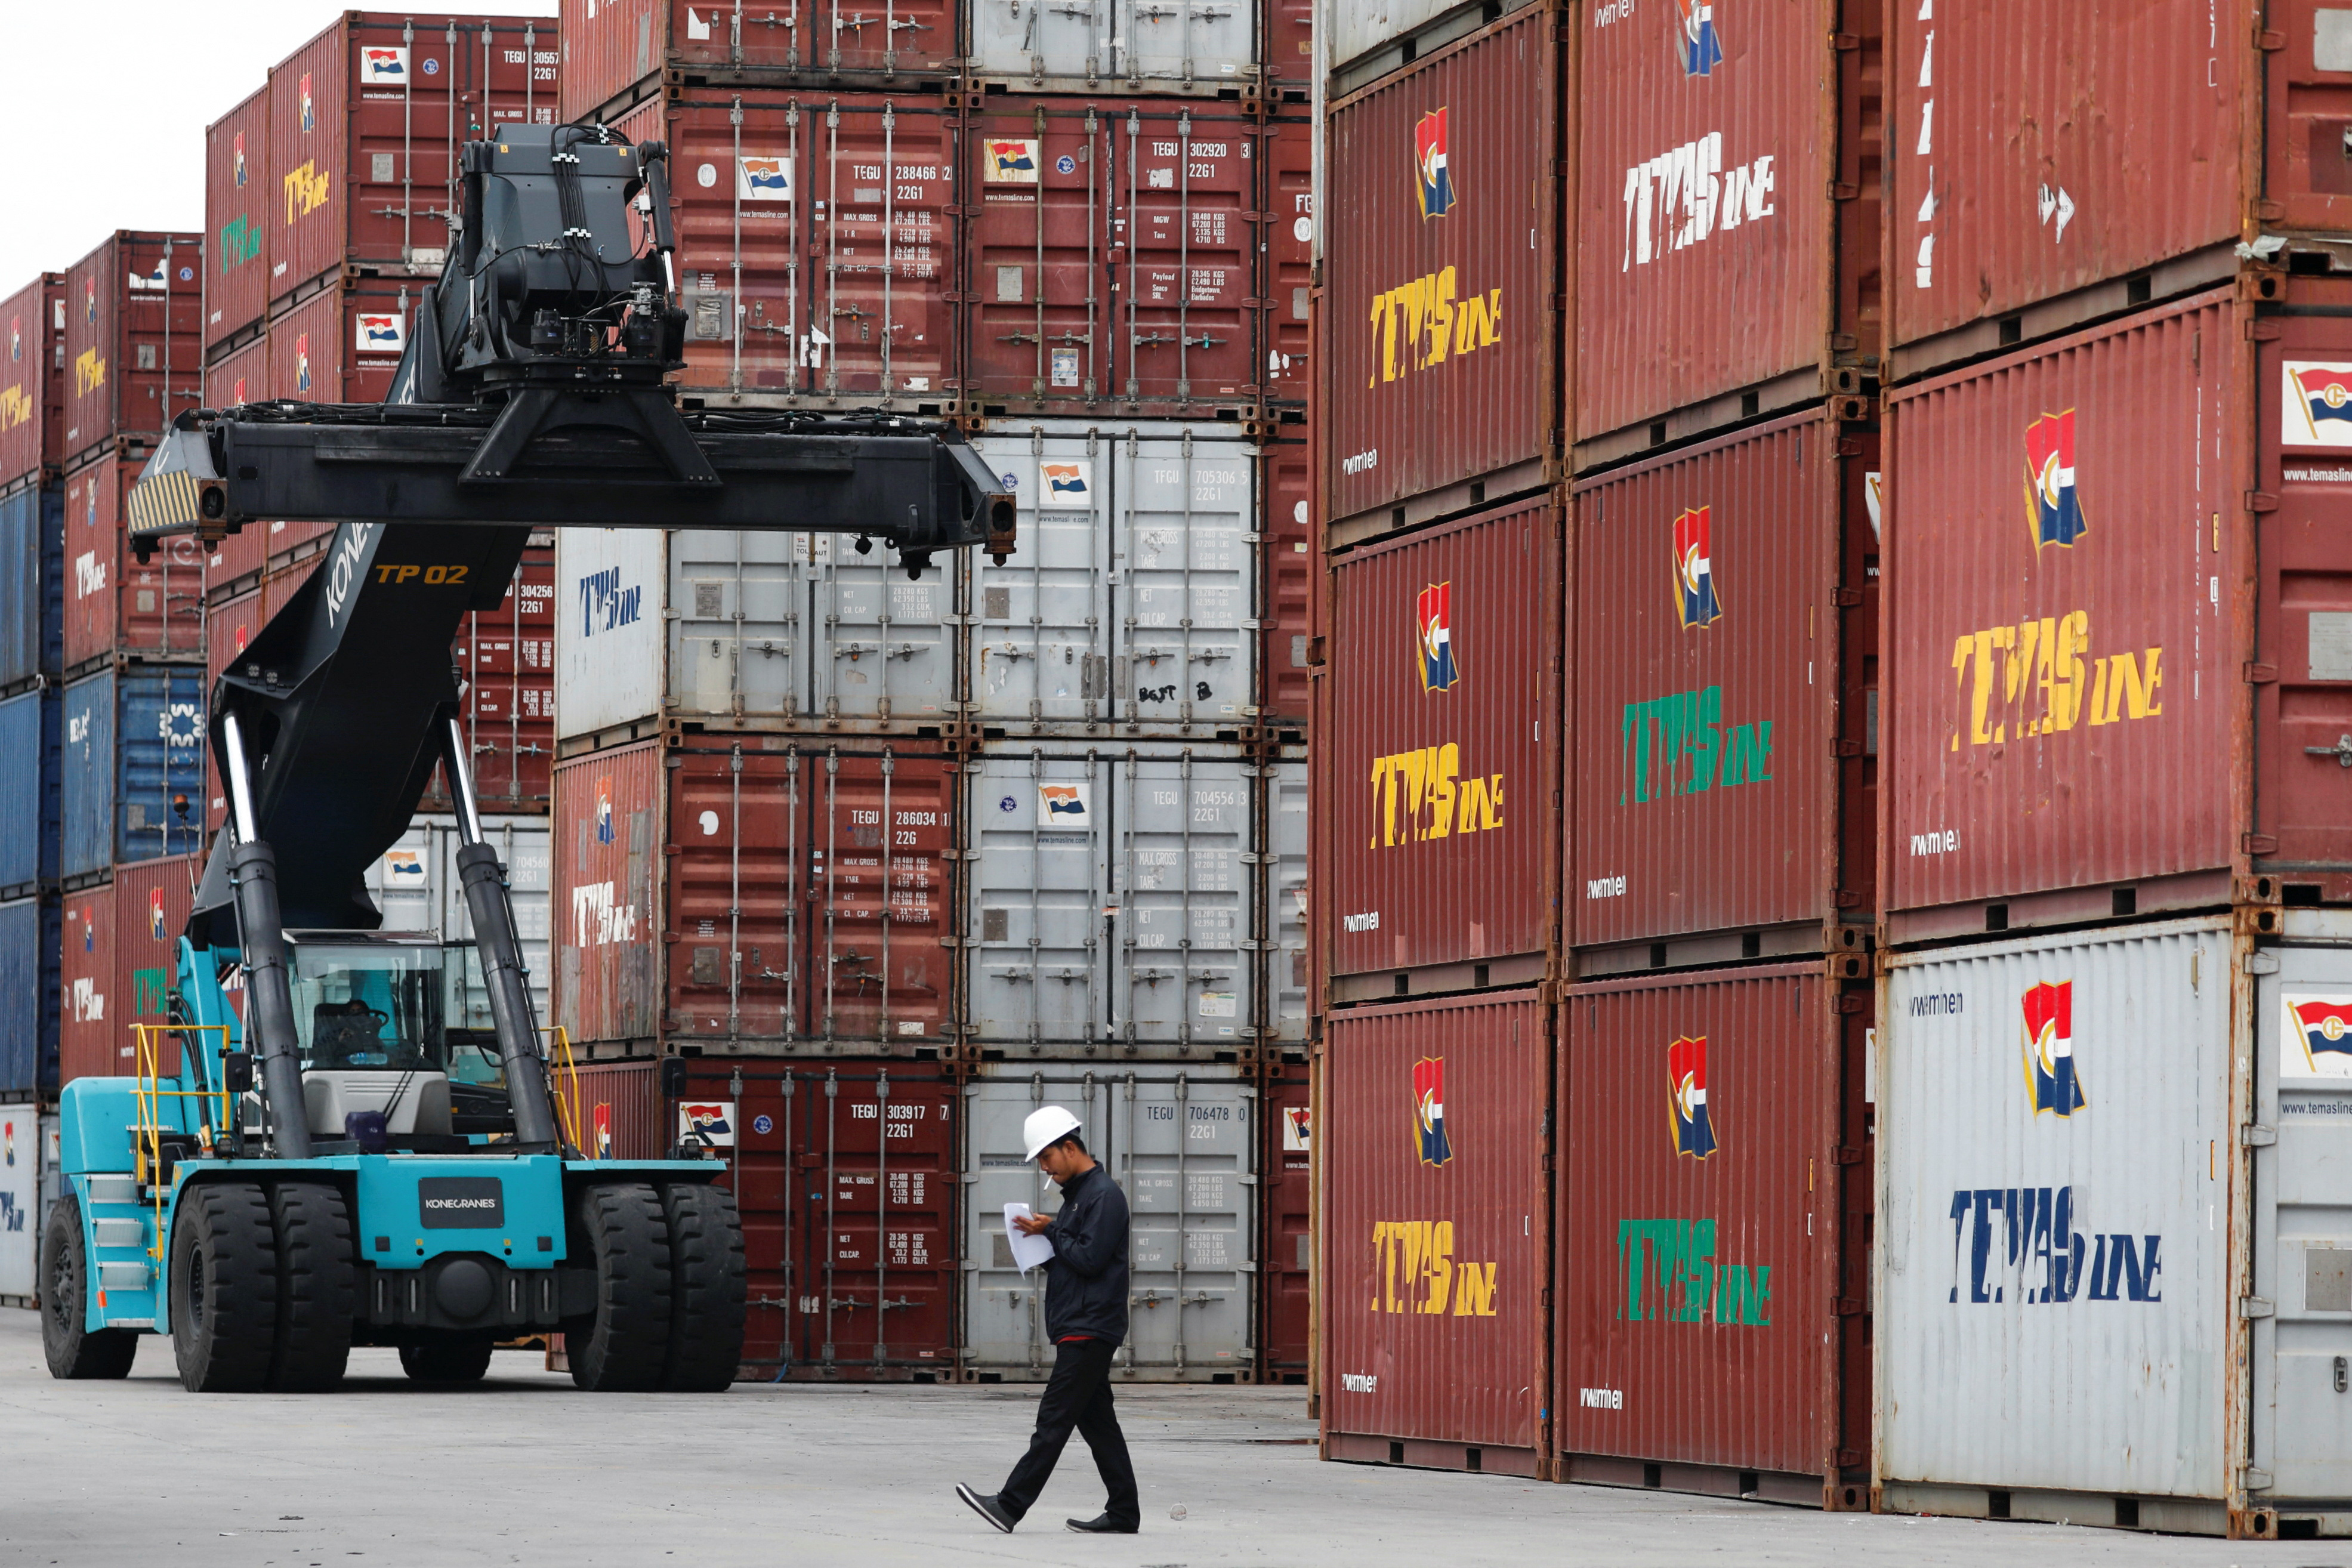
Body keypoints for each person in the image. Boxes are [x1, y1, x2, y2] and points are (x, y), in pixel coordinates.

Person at [956, 1106, 1141, 1535]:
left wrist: (1051, 1233)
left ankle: (1009, 1505)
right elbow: (1075, 1257)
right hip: (1079, 1322)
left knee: (1053, 1420)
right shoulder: (1080, 1196)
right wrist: (1045, 1239)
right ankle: (1124, 1513)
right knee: (1099, 1426)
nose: (1044, 1166)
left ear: (1070, 1147)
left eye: (1046, 1157)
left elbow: (1091, 1260)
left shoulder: (1104, 1196)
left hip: (1089, 1327)